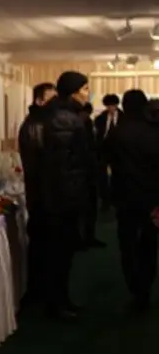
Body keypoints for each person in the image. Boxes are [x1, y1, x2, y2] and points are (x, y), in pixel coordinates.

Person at [39, 70, 93, 321]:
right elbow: (64, 165)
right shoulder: (65, 119)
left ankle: (61, 301)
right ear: (73, 92)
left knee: (62, 254)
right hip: (63, 198)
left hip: (62, 195)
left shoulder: (63, 115)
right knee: (60, 254)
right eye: (85, 89)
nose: (88, 93)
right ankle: (57, 305)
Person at [108, 91, 159, 313]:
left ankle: (134, 286)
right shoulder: (154, 131)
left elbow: (105, 158)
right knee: (149, 244)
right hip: (151, 197)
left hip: (125, 197)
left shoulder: (117, 132)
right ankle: (145, 289)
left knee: (127, 244)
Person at [17, 82, 56, 306]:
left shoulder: (39, 123)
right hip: (41, 196)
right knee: (42, 246)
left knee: (44, 246)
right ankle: (39, 295)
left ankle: (40, 293)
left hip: (42, 195)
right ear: (39, 101)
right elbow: (40, 166)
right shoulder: (34, 126)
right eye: (50, 99)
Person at [79, 102, 105, 249]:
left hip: (82, 172)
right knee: (88, 208)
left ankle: (84, 238)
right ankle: (87, 238)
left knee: (84, 209)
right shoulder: (85, 123)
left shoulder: (81, 122)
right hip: (87, 171)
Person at [93, 94, 121, 209]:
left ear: (116, 105)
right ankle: (105, 199)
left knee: (117, 174)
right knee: (102, 175)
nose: (111, 108)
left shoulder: (123, 117)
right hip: (103, 149)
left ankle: (116, 197)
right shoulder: (101, 118)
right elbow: (98, 134)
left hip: (118, 150)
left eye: (113, 105)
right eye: (108, 106)